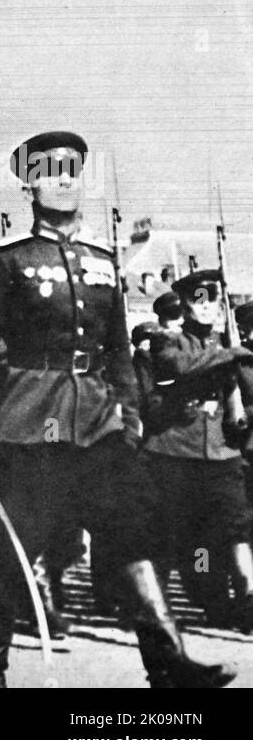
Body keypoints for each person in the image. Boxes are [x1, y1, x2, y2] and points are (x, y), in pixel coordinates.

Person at [0, 130, 235, 688]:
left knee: (132, 535)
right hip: (31, 425)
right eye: (48, 172)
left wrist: (128, 418)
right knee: (13, 550)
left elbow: (119, 353)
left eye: (71, 172)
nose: (61, 182)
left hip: (98, 427)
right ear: (29, 185)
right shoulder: (6, 263)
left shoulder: (104, 263)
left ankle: (168, 660)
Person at [143, 269, 253, 630]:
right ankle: (170, 608)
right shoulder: (167, 341)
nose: (207, 309)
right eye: (198, 301)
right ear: (186, 307)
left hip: (222, 455)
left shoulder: (230, 347)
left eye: (214, 301)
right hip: (176, 454)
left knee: (233, 529)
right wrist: (231, 355)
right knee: (178, 540)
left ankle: (246, 594)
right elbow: (177, 367)